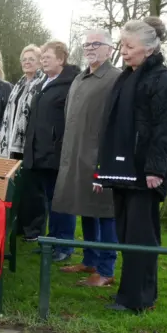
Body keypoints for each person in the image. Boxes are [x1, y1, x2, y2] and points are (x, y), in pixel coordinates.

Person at [95, 17, 167, 313]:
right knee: (126, 234)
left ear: (148, 48)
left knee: (141, 237)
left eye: (129, 46)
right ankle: (137, 293)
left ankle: (136, 300)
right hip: (122, 169)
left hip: (145, 173)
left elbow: (165, 129)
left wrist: (156, 169)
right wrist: (103, 165)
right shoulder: (126, 77)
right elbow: (113, 124)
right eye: (122, 44)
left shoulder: (165, 81)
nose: (124, 50)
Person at [52, 31, 122, 287]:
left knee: (105, 213)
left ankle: (106, 270)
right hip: (76, 156)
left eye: (96, 44)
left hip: (99, 159)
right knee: (86, 210)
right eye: (87, 44)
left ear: (109, 49)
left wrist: (107, 159)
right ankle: (90, 260)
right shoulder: (81, 77)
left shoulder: (115, 79)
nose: (90, 48)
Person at [22, 41, 81, 262]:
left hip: (57, 154)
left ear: (61, 59)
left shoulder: (70, 84)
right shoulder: (46, 82)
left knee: (62, 201)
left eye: (48, 56)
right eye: (43, 56)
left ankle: (64, 245)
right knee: (49, 200)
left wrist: (59, 145)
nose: (43, 59)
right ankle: (52, 240)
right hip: (41, 154)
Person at [0, 44, 46, 241]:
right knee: (18, 187)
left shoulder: (42, 83)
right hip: (12, 144)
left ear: (40, 62)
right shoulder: (19, 84)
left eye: (31, 59)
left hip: (29, 143)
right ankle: (18, 225)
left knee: (33, 189)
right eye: (24, 59)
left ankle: (34, 229)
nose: (27, 62)